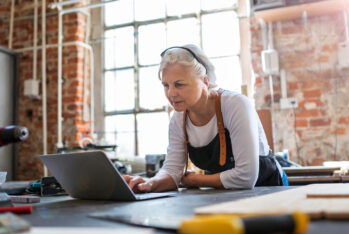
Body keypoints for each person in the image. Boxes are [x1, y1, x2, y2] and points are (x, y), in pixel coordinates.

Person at [123, 44, 288, 193]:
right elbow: (173, 171)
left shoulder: (235, 105)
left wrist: (195, 180)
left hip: (268, 191)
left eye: (179, 84)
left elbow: (246, 177)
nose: (171, 93)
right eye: (166, 85)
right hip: (224, 195)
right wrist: (149, 184)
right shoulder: (178, 119)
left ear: (205, 81)